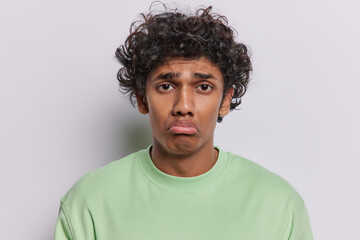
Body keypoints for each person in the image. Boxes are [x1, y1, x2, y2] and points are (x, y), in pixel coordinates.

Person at [54, 5, 313, 240]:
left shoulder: (279, 205)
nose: (184, 107)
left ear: (225, 100)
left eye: (203, 86)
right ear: (142, 99)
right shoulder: (88, 203)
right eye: (166, 86)